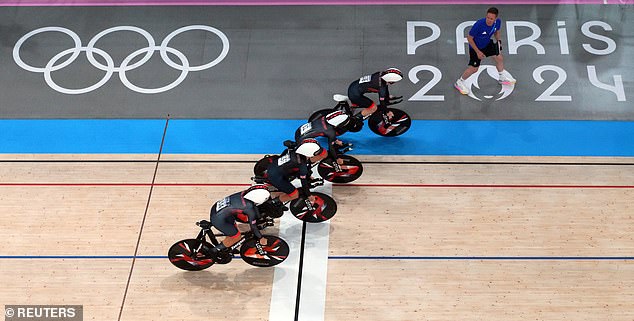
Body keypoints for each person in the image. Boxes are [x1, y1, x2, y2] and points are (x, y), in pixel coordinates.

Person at [454, 7, 516, 95]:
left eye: (491, 18)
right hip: (475, 48)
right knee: (474, 69)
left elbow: (496, 31)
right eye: (487, 17)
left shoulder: (497, 22)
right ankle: (459, 82)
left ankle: (502, 77)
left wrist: (498, 41)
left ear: (495, 18)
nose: (489, 20)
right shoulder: (479, 24)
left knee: (499, 58)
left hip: (487, 44)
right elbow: (469, 38)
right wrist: (478, 52)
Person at [207, 184, 271, 259]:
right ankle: (214, 251)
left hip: (217, 210)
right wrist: (261, 238)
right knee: (236, 237)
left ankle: (228, 244)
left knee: (235, 227)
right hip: (219, 219)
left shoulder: (244, 193)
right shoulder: (248, 207)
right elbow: (253, 227)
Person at [265, 139, 325, 203]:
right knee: (294, 194)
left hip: (273, 166)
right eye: (316, 153)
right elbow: (303, 183)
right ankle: (272, 203)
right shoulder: (302, 165)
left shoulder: (296, 151)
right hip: (275, 176)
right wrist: (309, 195)